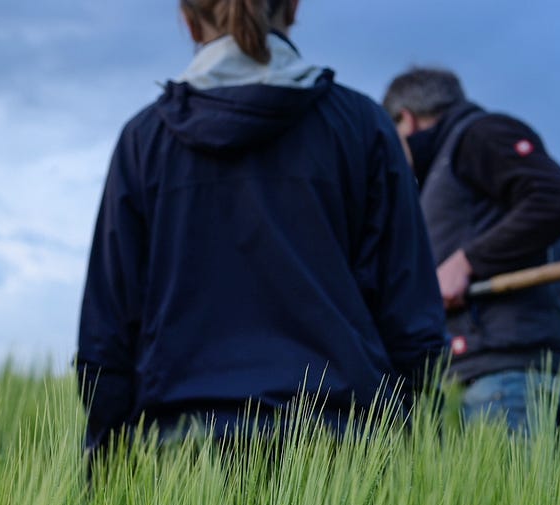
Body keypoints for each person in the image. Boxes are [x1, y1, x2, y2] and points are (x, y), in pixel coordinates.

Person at [77, 0, 448, 453]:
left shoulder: (145, 139)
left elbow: (107, 335)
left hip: (180, 459)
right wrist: (418, 445)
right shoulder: (362, 126)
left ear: (188, 21)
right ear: (292, 8)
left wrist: (105, 466)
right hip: (344, 452)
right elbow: (412, 320)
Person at [383, 67, 560, 435]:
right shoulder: (446, 165)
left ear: (407, 120)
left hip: (510, 371)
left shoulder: (480, 134)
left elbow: (557, 198)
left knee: (518, 495)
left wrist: (466, 262)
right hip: (482, 372)